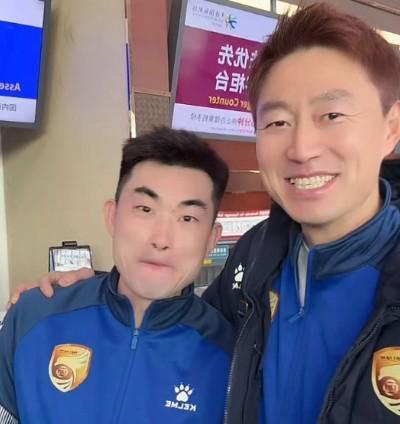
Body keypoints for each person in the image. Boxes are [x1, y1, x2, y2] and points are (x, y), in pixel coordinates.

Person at [8, 3, 400, 423]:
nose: (302, 148)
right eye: (278, 122)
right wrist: (86, 290)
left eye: (332, 115)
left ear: (391, 128)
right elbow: (164, 311)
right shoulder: (257, 259)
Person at [0, 127, 234, 423]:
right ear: (112, 216)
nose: (161, 239)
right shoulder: (34, 316)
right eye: (145, 209)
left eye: (187, 218)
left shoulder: (231, 357)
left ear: (211, 239)